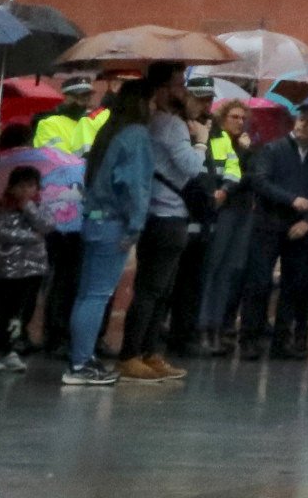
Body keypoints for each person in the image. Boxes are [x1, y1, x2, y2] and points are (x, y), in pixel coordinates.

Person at [64, 76, 154, 387]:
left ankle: (81, 358)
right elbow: (136, 186)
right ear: (143, 103)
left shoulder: (109, 129)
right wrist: (136, 225)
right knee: (99, 295)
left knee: (87, 294)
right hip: (114, 223)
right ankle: (80, 364)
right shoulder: (137, 135)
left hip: (93, 219)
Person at [116, 66, 206, 381]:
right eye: (180, 84)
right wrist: (202, 142)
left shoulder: (150, 123)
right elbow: (193, 167)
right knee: (154, 290)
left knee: (158, 289)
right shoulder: (170, 125)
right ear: (165, 89)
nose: (184, 89)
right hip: (168, 214)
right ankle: (132, 353)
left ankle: (149, 352)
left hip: (156, 213)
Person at [239, 106, 308, 361]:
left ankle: (281, 341)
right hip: (269, 223)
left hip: (299, 229)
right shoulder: (273, 149)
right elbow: (260, 181)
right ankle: (250, 338)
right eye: (300, 120)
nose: (302, 125)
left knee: (293, 285)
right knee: (259, 282)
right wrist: (291, 199)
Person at [189, 100, 263, 356]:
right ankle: (203, 327)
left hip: (242, 211)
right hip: (222, 211)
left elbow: (252, 176)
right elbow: (222, 176)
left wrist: (247, 151)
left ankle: (217, 326)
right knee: (213, 269)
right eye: (235, 117)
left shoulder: (245, 145)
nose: (240, 122)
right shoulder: (216, 141)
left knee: (229, 271)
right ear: (223, 118)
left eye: (243, 118)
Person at [33, 77, 101, 352]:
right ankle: (54, 333)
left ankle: (68, 333)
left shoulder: (89, 123)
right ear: (67, 97)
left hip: (84, 204)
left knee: (75, 274)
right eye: (79, 97)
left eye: (87, 97)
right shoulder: (49, 123)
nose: (84, 102)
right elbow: (51, 158)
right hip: (59, 205)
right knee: (59, 274)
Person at [0, 164, 50, 371]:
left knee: (17, 313)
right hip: (3, 270)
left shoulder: (39, 208)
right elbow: (1, 232)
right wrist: (31, 238)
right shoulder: (2, 209)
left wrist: (28, 208)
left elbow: (46, 226)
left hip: (30, 271)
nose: (26, 191)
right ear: (11, 188)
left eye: (31, 186)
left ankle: (10, 349)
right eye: (21, 186)